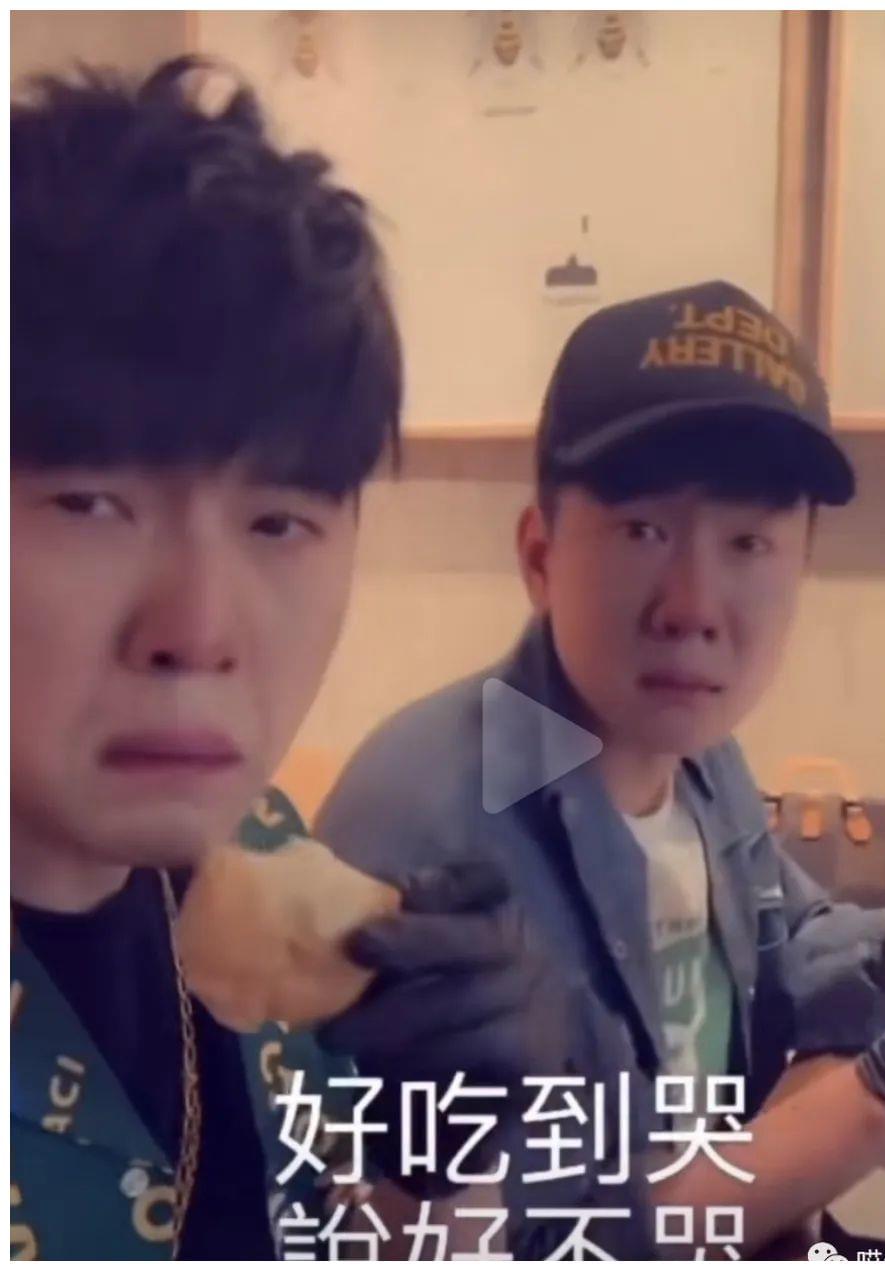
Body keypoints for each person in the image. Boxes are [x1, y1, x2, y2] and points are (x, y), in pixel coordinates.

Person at [317, 279, 885, 1257]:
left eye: (748, 541)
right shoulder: (431, 829)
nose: (694, 606)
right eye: (644, 531)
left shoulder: (694, 750)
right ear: (540, 555)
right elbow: (555, 1235)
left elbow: (781, 940)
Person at [10, 57, 567, 1260]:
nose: (200, 628)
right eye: (92, 503)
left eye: (279, 522)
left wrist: (440, 1171)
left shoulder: (261, 862)